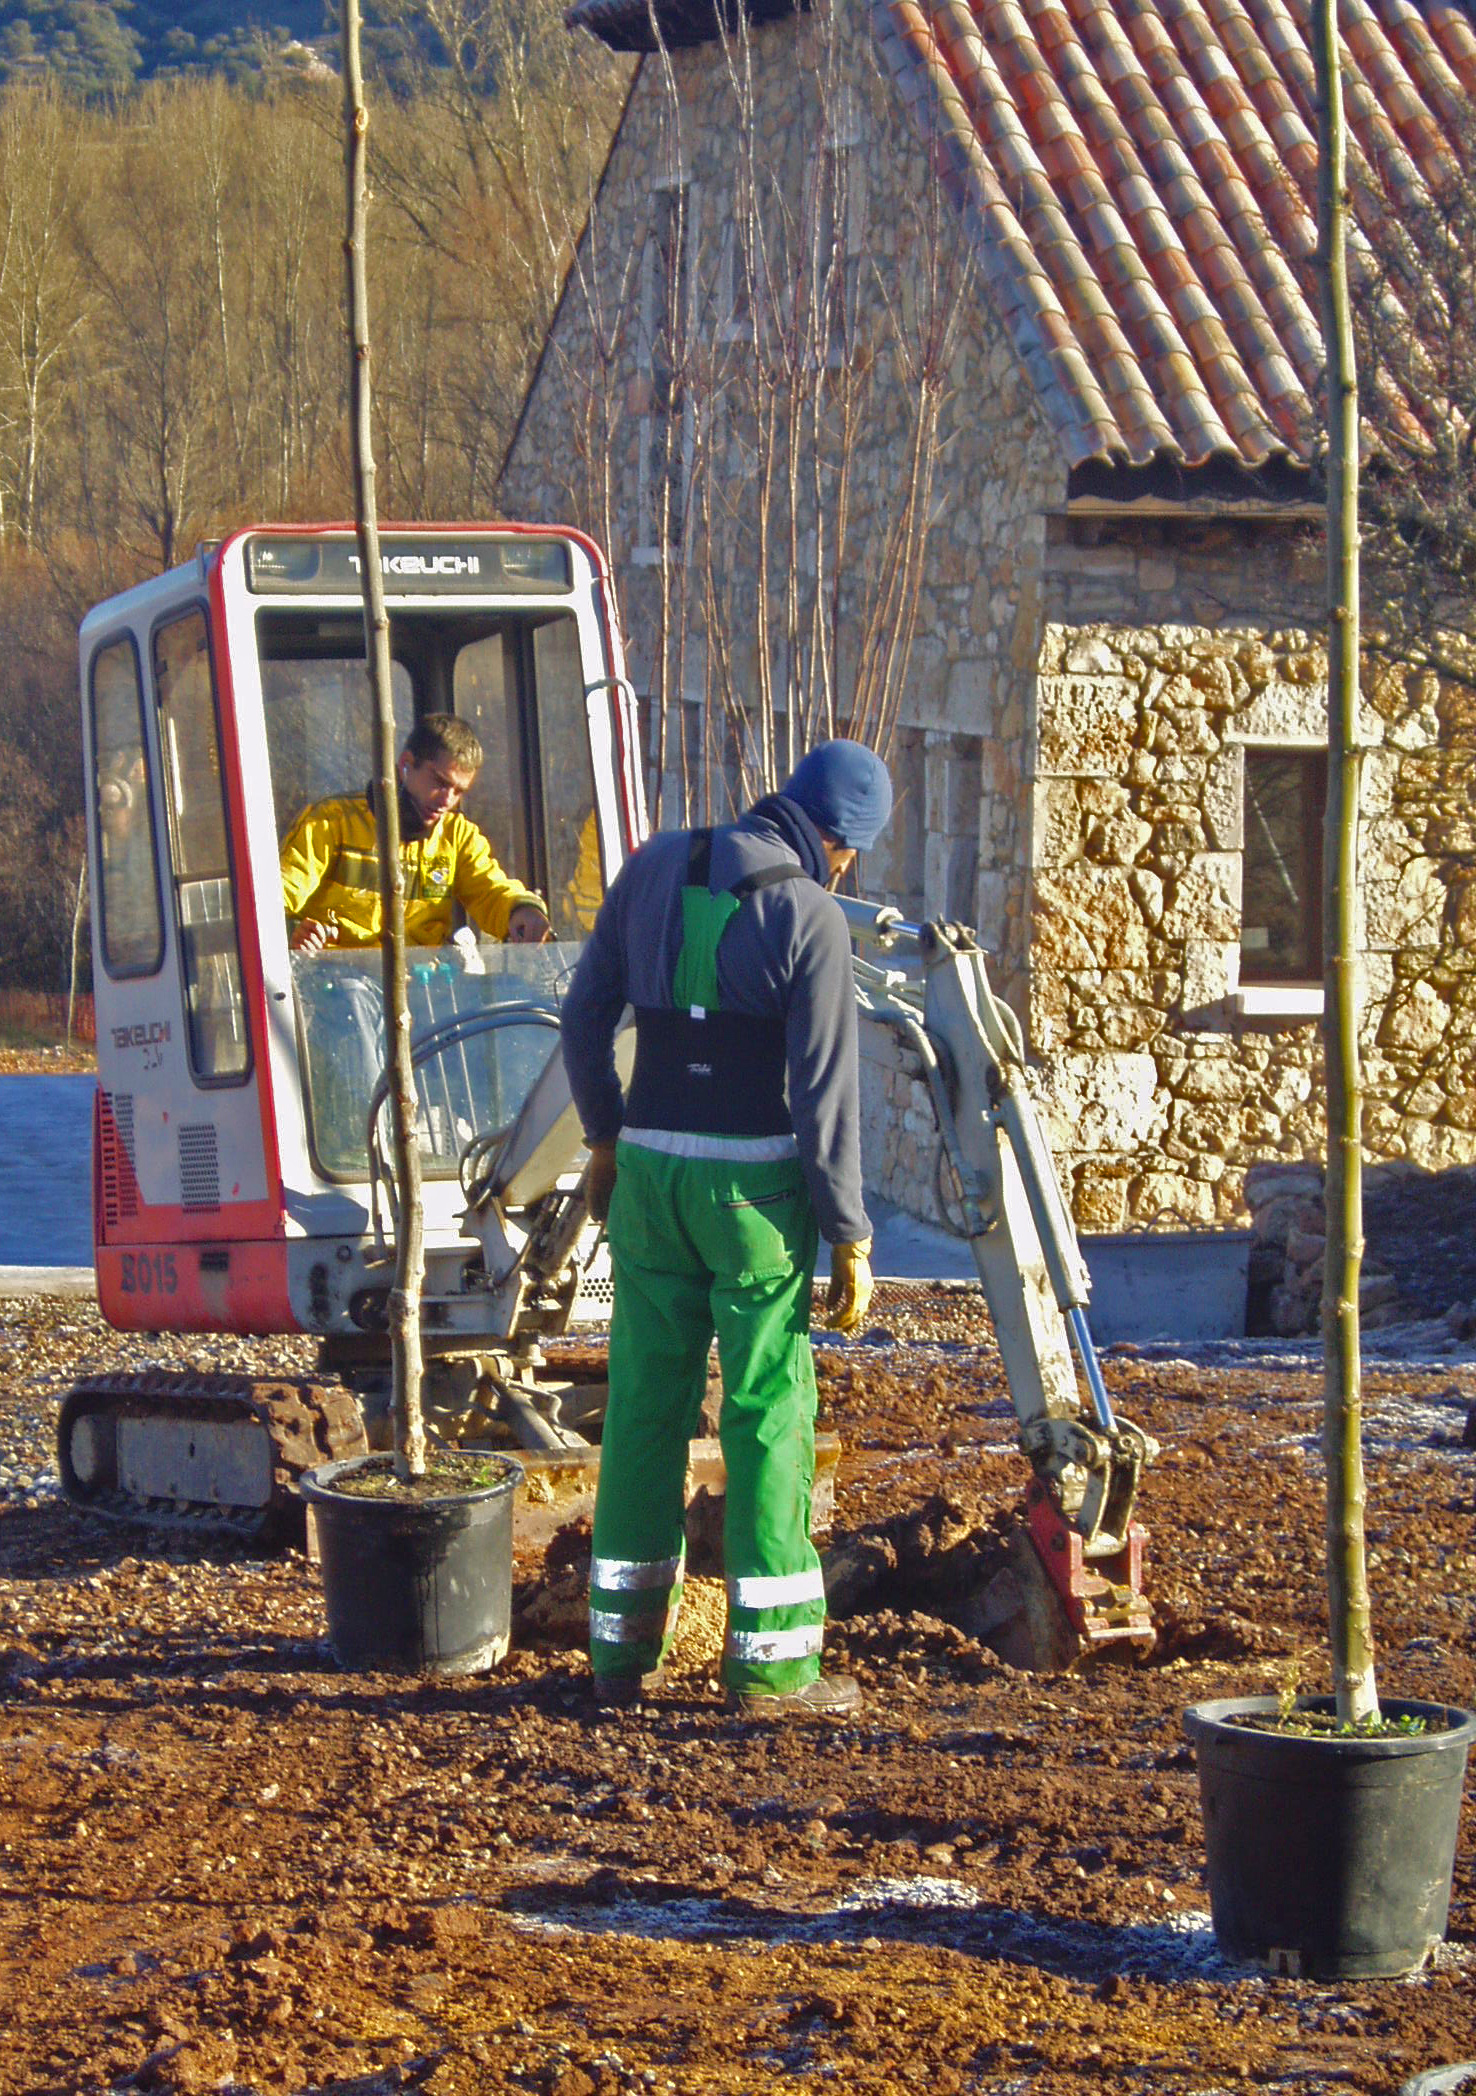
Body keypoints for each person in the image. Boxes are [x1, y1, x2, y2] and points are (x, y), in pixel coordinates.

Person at [561, 738, 894, 1720]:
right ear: (843, 846)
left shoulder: (653, 865)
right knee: (764, 1416)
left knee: (644, 1410)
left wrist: (606, 1140)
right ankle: (775, 1670)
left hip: (652, 1181)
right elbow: (826, 1097)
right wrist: (852, 1234)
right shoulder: (811, 915)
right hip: (753, 1194)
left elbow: (582, 1018)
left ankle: (620, 1655)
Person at [279, 713, 551, 952]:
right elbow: (275, 898)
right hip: (337, 986)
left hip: (425, 989)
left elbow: (490, 890)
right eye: (440, 782)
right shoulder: (331, 823)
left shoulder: (457, 837)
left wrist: (521, 910)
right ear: (405, 764)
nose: (447, 800)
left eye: (458, 791)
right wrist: (295, 933)